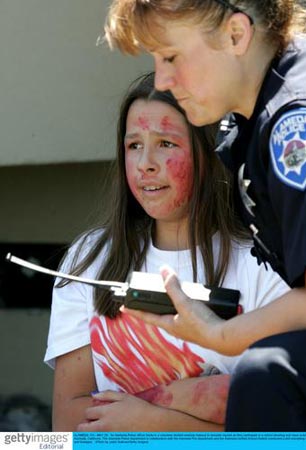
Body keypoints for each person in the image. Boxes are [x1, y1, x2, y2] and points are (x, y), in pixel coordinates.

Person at [103, 0, 306, 431]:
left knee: (267, 378)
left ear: (235, 34)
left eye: (171, 56)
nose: (163, 80)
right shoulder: (273, 109)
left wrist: (222, 335)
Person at [44, 72, 289, 431]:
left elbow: (277, 431)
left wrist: (151, 420)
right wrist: (203, 395)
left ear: (209, 153)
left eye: (166, 144)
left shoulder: (265, 263)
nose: (145, 163)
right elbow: (67, 426)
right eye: (133, 146)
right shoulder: (90, 258)